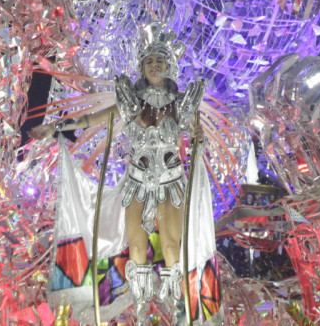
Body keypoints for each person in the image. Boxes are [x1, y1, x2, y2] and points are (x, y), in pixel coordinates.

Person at [32, 24, 205, 307]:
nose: (154, 65)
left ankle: (179, 309)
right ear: (142, 68)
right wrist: (54, 127)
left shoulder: (183, 104)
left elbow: (198, 138)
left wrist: (200, 138)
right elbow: (90, 119)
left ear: (169, 66)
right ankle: (140, 311)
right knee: (136, 246)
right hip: (136, 185)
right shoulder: (130, 104)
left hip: (171, 184)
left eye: (160, 60)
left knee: (172, 246)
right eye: (149, 61)